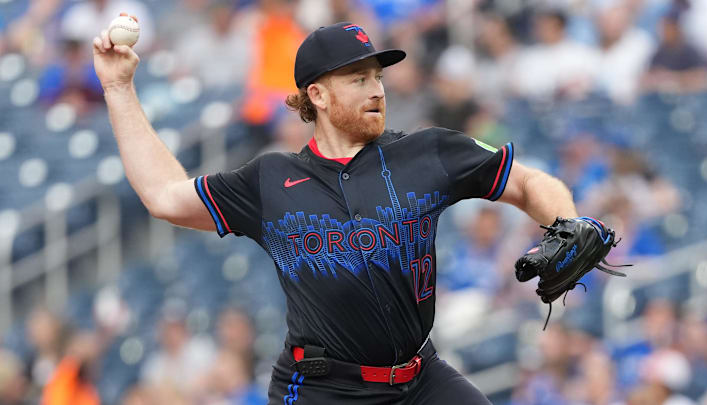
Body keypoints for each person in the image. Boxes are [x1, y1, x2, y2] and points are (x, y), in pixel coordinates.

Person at [93, 20, 582, 404]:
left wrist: (567, 224)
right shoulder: (269, 181)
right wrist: (118, 88)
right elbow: (163, 196)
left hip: (421, 377)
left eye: (378, 76)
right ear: (318, 96)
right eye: (358, 78)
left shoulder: (427, 152)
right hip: (323, 390)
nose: (377, 89)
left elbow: (527, 182)